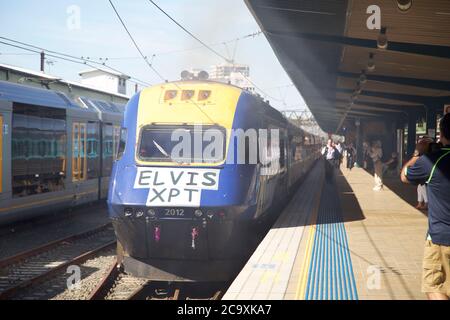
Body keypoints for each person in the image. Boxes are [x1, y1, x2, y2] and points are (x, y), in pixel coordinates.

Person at [401, 113, 450, 300]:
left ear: (442, 135)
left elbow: (404, 176)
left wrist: (418, 153)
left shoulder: (431, 160)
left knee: (434, 286)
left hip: (440, 239)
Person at [414, 137, 434, 210]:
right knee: (420, 187)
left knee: (423, 188)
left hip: (426, 173)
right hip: (422, 173)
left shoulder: (428, 152)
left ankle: (426, 203)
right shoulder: (422, 153)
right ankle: (420, 203)